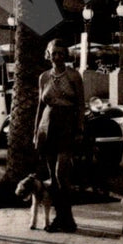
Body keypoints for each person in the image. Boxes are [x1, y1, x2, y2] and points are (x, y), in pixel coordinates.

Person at [34, 38, 84, 233]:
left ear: (66, 55)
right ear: (49, 54)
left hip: (67, 126)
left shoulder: (74, 76)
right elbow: (40, 105)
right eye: (54, 53)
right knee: (53, 178)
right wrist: (36, 132)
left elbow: (80, 104)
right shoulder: (43, 77)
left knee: (61, 174)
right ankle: (59, 218)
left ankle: (67, 217)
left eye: (61, 53)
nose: (57, 57)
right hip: (48, 126)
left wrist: (80, 129)